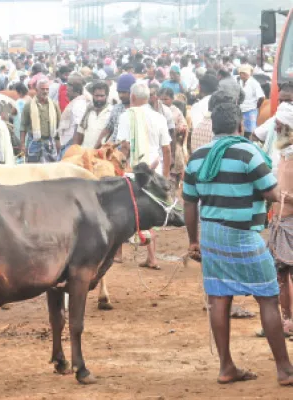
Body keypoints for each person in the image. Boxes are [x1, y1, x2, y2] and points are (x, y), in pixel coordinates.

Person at [183, 101, 293, 386]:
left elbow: (189, 202)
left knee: (219, 297)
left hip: (211, 235)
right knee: (267, 296)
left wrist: (193, 241)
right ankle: (284, 370)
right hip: (242, 234)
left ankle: (226, 367)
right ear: (240, 125)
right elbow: (270, 192)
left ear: (214, 127)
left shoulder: (198, 156)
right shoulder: (247, 151)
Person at [116, 83, 172, 270]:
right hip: (155, 170)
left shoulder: (126, 116)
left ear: (132, 97)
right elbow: (167, 150)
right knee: (149, 211)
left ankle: (118, 254)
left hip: (133, 170)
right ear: (148, 98)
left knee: (123, 209)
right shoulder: (159, 118)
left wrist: (120, 168)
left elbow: (124, 146)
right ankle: (152, 258)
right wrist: (165, 176)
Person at [263, 102, 293, 338]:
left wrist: (285, 197)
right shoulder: (282, 153)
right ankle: (286, 320)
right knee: (281, 275)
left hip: (289, 222)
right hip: (279, 221)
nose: (276, 128)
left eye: (280, 125)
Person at [21, 77, 60, 162]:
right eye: (42, 89)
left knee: (51, 168)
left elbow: (58, 126)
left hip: (49, 142)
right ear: (36, 90)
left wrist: (58, 144)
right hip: (34, 142)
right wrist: (23, 145)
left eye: (47, 89)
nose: (45, 91)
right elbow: (23, 126)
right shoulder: (29, 105)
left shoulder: (54, 105)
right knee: (33, 168)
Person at [75, 81, 112, 150]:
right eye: (96, 96)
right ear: (92, 95)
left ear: (107, 96)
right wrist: (76, 150)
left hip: (101, 153)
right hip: (85, 152)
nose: (99, 99)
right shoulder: (88, 111)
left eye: (102, 96)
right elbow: (80, 132)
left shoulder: (111, 112)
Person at [57, 77, 88, 158]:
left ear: (76, 91)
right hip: (67, 144)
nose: (66, 94)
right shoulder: (76, 102)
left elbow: (78, 126)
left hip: (70, 145)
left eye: (68, 91)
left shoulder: (79, 104)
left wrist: (73, 147)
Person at [238, 65, 265, 140]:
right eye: (241, 73)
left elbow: (261, 97)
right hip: (241, 110)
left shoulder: (254, 83)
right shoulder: (240, 82)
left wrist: (256, 107)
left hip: (250, 110)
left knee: (250, 132)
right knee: (241, 131)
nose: (242, 75)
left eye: (244, 73)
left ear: (248, 74)